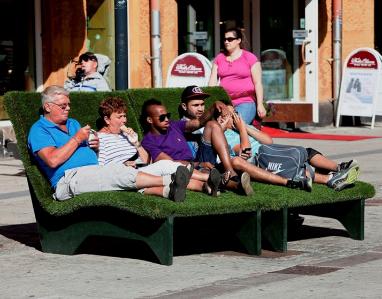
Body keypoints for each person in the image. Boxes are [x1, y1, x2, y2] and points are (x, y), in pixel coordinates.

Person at [27, 85, 191, 202]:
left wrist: (95, 146)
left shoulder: (73, 123)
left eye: (69, 104)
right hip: (69, 180)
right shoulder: (39, 130)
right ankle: (169, 180)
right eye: (63, 106)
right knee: (118, 172)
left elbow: (90, 152)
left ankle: (173, 185)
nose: (68, 108)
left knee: (163, 165)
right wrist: (77, 139)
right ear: (47, 107)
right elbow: (52, 160)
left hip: (97, 171)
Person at [178, 86, 312, 191]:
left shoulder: (213, 122)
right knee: (217, 133)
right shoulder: (183, 125)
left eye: (202, 104)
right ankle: (289, 180)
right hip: (207, 161)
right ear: (184, 107)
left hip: (228, 157)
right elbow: (198, 125)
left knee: (301, 152)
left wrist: (236, 127)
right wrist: (221, 125)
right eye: (196, 105)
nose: (201, 108)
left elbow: (267, 140)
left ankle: (301, 178)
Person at [217, 109, 361, 191]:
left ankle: (339, 168)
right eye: (230, 114)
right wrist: (242, 129)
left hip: (268, 148)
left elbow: (268, 140)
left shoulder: (243, 127)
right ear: (221, 119)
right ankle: (330, 179)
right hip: (259, 158)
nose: (234, 115)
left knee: (305, 152)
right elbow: (245, 150)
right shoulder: (225, 136)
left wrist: (245, 127)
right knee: (290, 165)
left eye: (234, 112)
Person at [140, 98, 253, 196]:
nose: (166, 119)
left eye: (167, 116)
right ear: (150, 120)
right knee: (200, 174)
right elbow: (169, 164)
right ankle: (237, 185)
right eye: (162, 117)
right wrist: (197, 164)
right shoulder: (148, 141)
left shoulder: (173, 125)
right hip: (183, 169)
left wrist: (214, 106)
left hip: (196, 162)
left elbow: (199, 122)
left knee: (212, 124)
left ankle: (230, 172)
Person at [208, 27, 266, 125]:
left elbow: (258, 83)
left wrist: (260, 104)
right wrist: (211, 101)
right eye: (225, 39)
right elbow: (212, 83)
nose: (226, 42)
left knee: (235, 124)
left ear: (238, 40)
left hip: (245, 101)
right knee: (219, 126)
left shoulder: (250, 58)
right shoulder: (219, 58)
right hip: (224, 102)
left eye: (230, 39)